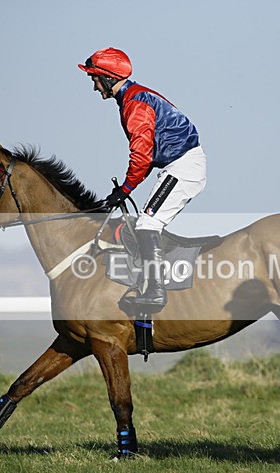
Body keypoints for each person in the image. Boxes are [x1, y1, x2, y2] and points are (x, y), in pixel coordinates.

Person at [78, 47, 207, 311]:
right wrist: (126, 188)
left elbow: (141, 154)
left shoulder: (135, 104)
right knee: (145, 223)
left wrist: (126, 188)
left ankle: (156, 292)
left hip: (183, 166)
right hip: (178, 165)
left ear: (108, 78)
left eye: (94, 79)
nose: (94, 87)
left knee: (147, 224)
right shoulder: (134, 97)